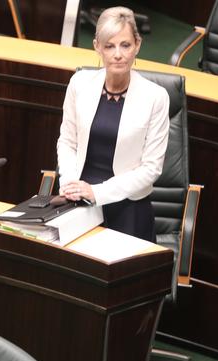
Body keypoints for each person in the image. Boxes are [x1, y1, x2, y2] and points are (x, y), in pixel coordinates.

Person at [56, 6, 169, 242]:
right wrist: (69, 184)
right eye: (109, 46)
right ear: (97, 47)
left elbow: (151, 169)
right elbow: (67, 142)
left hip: (128, 208)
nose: (118, 54)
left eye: (125, 45)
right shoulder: (79, 83)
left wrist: (97, 192)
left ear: (137, 45)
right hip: (79, 204)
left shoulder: (155, 97)